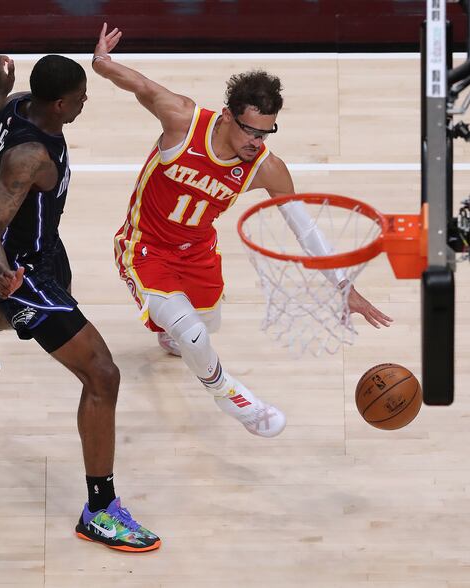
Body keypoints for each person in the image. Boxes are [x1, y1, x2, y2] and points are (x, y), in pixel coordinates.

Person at [92, 24, 393, 438]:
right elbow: (140, 85)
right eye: (250, 130)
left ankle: (174, 334)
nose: (257, 141)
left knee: (205, 325)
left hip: (197, 252)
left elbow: (304, 229)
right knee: (195, 334)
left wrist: (344, 286)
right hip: (145, 248)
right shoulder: (182, 120)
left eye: (266, 131)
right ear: (228, 115)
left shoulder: (266, 167)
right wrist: (102, 62)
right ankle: (231, 396)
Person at [0, 53, 160, 552]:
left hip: (41, 251)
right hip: (18, 269)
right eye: (81, 96)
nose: (86, 102)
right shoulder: (31, 156)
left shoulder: (18, 105)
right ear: (60, 103)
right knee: (103, 374)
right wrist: (3, 275)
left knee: (39, 326)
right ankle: (99, 511)